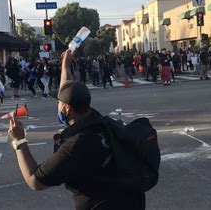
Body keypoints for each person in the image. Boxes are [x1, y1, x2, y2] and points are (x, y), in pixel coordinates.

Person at [8, 50, 145, 210]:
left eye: (59, 103)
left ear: (67, 109)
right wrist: (65, 66)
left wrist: (19, 141)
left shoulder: (75, 146)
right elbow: (70, 92)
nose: (57, 106)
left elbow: (34, 181)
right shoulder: (97, 120)